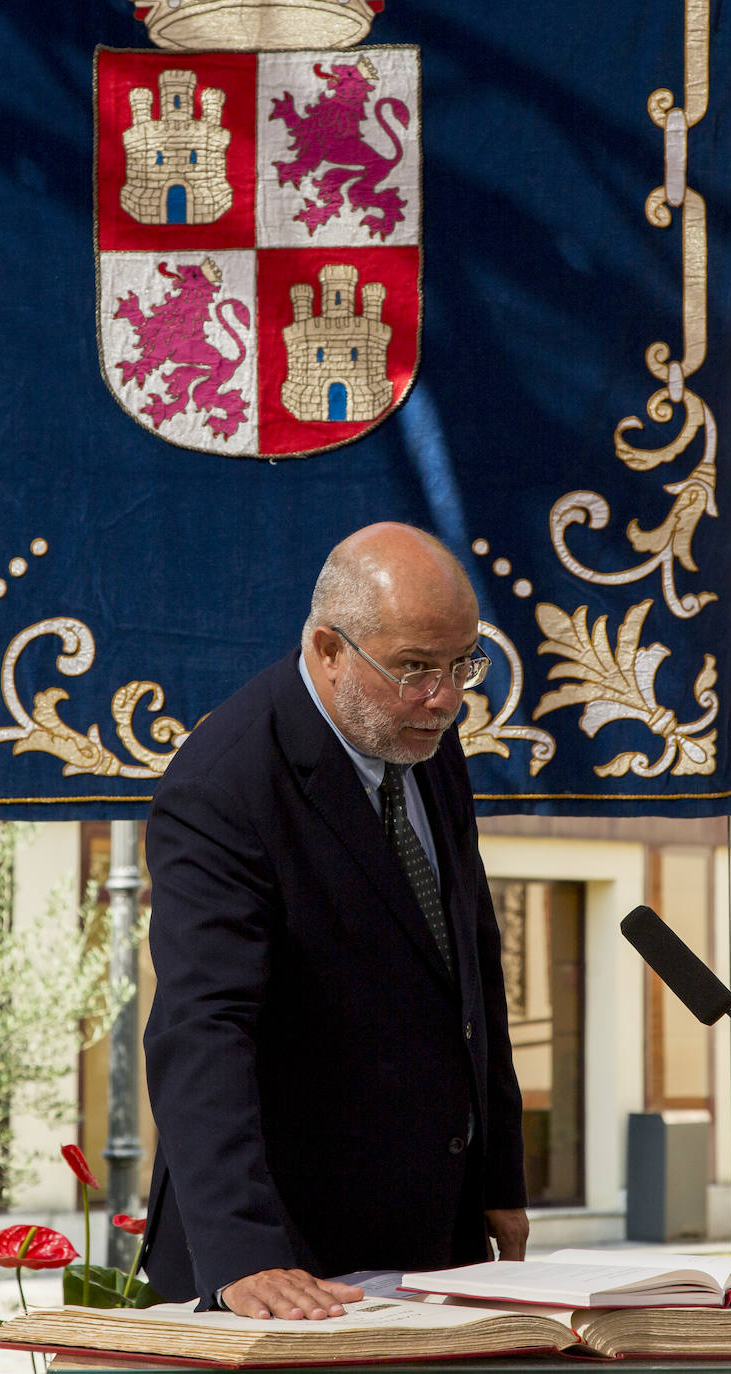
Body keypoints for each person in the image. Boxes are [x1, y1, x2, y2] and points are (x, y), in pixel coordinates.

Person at [140, 522, 529, 1320]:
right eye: (415, 667)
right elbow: (200, 1029)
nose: (445, 697)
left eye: (462, 665)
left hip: (430, 1239)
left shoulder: (422, 734)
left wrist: (497, 1177)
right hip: (285, 1256)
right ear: (326, 649)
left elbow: (469, 965)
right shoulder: (223, 786)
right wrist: (244, 1257)